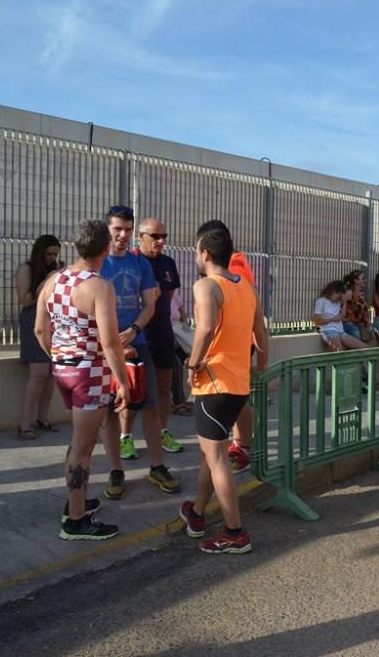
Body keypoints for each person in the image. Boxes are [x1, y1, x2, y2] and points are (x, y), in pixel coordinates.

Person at [34, 220, 130, 539]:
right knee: (83, 448)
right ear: (105, 248)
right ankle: (76, 521)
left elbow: (39, 329)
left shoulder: (53, 280)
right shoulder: (99, 287)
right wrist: (124, 382)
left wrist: (59, 355)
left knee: (78, 443)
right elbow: (111, 342)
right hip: (89, 374)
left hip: (62, 369)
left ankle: (76, 502)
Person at [178, 226, 269, 554]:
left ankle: (235, 533)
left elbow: (203, 328)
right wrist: (262, 364)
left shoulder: (205, 286)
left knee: (215, 458)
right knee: (210, 453)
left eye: (195, 250)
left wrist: (192, 364)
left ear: (204, 252)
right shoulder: (244, 286)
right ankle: (198, 513)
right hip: (238, 384)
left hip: (213, 384)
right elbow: (261, 330)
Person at [99, 205, 180, 499]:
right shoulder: (98, 261)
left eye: (127, 229)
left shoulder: (140, 265)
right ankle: (115, 470)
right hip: (104, 347)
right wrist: (113, 341)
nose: (122, 235)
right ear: (108, 229)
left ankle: (157, 466)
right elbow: (87, 307)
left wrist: (132, 331)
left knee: (150, 404)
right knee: (110, 408)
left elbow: (150, 305)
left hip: (138, 342)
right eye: (117, 228)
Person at [196, 220, 258, 473]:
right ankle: (240, 447)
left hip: (227, 351)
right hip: (236, 346)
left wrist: (192, 363)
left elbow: (209, 326)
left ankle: (241, 447)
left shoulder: (231, 268)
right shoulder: (233, 265)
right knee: (239, 398)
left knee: (216, 455)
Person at [132, 218, 184, 454]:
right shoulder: (130, 263)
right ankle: (125, 436)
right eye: (155, 236)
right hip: (136, 335)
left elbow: (168, 297)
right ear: (140, 236)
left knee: (164, 387)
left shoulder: (168, 264)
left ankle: (163, 432)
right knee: (132, 389)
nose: (161, 241)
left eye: (164, 236)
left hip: (162, 333)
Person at [15, 234, 63, 439]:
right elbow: (25, 300)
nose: (52, 258)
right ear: (40, 252)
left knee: (51, 375)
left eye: (55, 254)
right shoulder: (26, 269)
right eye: (49, 254)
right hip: (32, 322)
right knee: (39, 374)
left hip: (53, 322)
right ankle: (25, 424)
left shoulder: (55, 268)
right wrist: (46, 282)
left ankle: (42, 419)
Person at [314, 281, 369, 351]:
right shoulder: (321, 301)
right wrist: (332, 319)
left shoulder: (337, 301)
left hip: (340, 331)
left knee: (365, 348)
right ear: (334, 291)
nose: (340, 297)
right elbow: (316, 321)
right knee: (339, 352)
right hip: (328, 331)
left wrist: (345, 300)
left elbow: (342, 315)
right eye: (339, 294)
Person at [342, 269, 373, 344]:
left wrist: (366, 323)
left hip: (359, 324)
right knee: (358, 347)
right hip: (350, 324)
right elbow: (340, 307)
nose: (365, 280)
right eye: (363, 278)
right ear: (356, 280)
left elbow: (362, 310)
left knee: (362, 345)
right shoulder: (349, 293)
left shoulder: (361, 293)